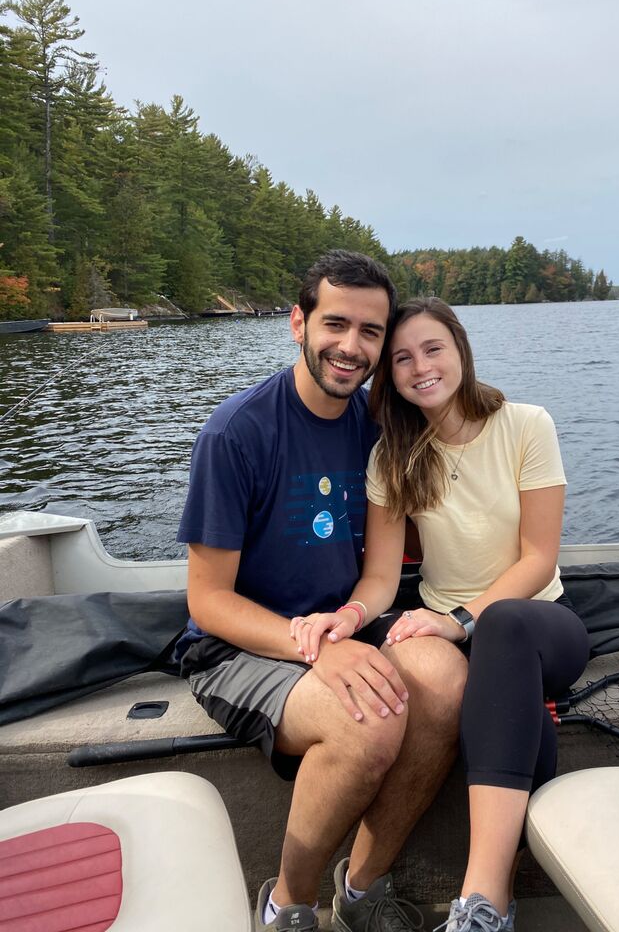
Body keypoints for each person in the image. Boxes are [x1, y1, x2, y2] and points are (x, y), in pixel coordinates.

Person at [175, 257, 466, 932]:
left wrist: (341, 630)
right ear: (298, 323)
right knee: (365, 722)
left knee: (446, 682)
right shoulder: (237, 433)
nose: (352, 346)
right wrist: (312, 650)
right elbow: (207, 601)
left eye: (371, 331)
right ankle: (290, 905)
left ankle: (361, 890)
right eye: (335, 323)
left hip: (345, 621)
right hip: (239, 645)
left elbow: (383, 568)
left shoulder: (380, 427)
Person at [291, 297, 590, 932]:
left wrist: (460, 619)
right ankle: (491, 910)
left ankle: (479, 899)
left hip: (539, 624)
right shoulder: (393, 456)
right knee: (506, 710)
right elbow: (379, 577)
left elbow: (538, 558)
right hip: (457, 637)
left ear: (460, 350)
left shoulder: (527, 425)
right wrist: (347, 616)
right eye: (401, 359)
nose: (420, 367)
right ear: (389, 376)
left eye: (433, 349)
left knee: (505, 627)